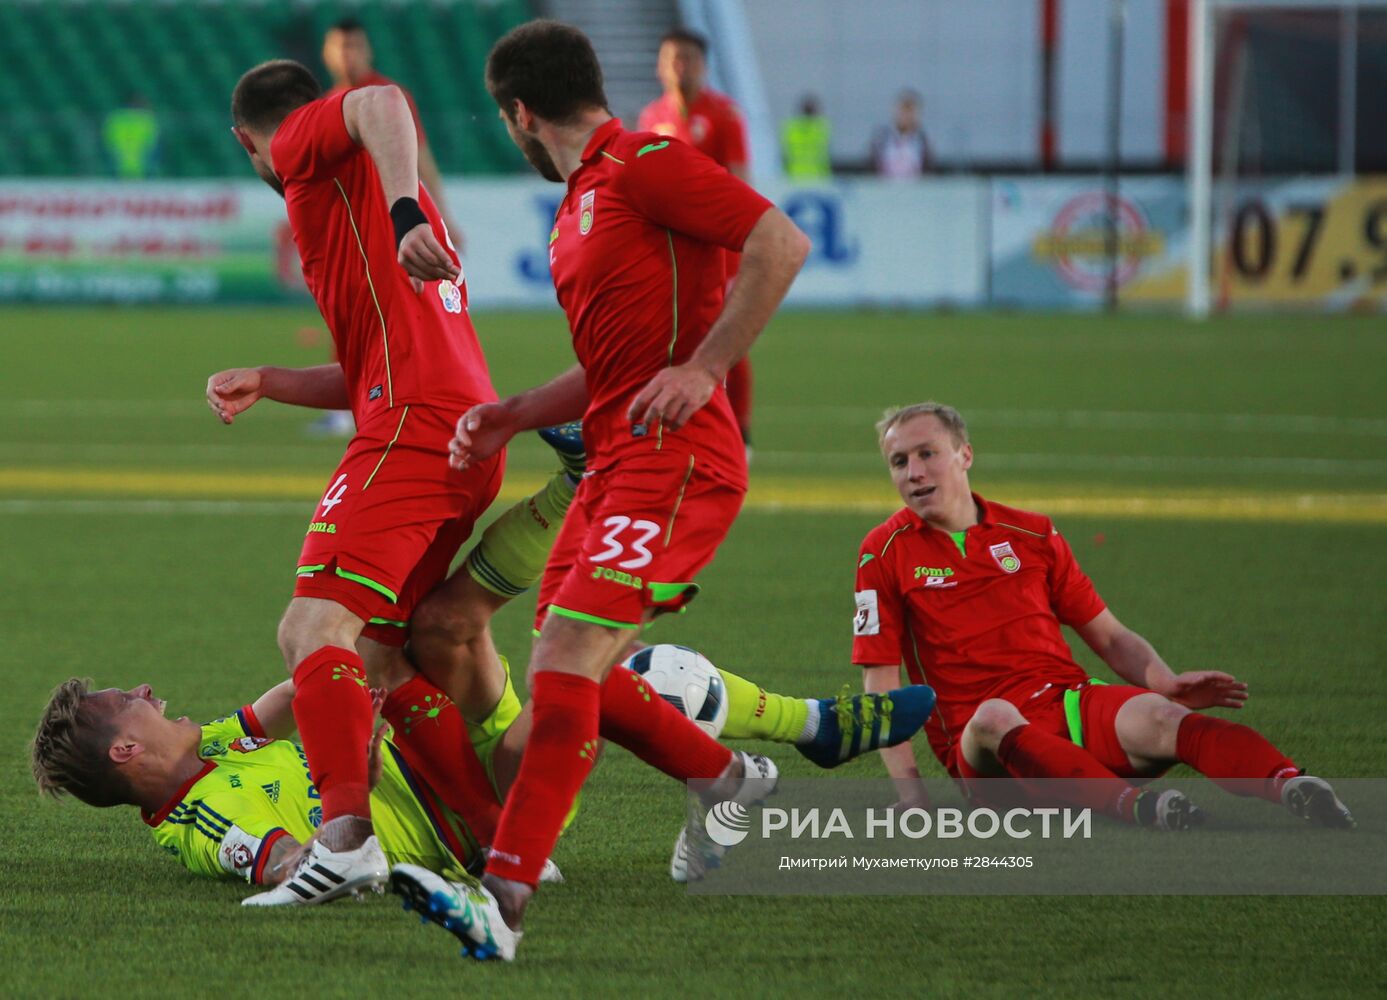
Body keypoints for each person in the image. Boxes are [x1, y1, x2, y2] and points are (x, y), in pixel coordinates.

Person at [436, 19, 814, 954]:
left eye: (505, 118)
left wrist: (706, 368)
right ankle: (726, 783)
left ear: (519, 113)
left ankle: (504, 897)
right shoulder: (579, 203)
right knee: (576, 674)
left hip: (677, 459)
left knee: (565, 659)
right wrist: (514, 410)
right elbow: (612, 369)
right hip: (612, 462)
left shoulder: (645, 162)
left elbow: (781, 242)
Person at [215, 59, 505, 906]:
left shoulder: (305, 143)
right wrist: (270, 377)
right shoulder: (348, 204)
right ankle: (500, 842)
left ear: (248, 142)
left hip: (411, 429)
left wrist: (407, 203)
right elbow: (364, 367)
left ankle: (343, 845)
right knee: (377, 651)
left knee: (311, 627)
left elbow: (379, 98)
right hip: (457, 432)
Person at [854, 402, 1354, 831]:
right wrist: (911, 795)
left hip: (1067, 705)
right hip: (984, 751)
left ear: (964, 455)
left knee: (1164, 717)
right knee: (994, 716)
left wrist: (1164, 679)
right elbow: (882, 682)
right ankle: (1134, 806)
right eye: (899, 462)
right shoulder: (883, 552)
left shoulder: (1032, 534)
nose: (913, 472)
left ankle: (1292, 785)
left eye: (926, 453)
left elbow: (1110, 637)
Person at [312, 17, 465, 437]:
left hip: (391, 225)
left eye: (355, 47)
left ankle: (414, 400)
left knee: (402, 312)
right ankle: (354, 405)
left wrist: (444, 218)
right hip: (350, 228)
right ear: (327, 52)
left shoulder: (387, 97)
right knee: (347, 313)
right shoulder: (327, 102)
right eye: (341, 47)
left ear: (368, 50)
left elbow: (420, 158)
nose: (349, 55)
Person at [637, 27, 757, 453]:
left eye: (687, 57)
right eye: (672, 58)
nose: (679, 66)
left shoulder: (725, 116)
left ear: (703, 65)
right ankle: (679, 420)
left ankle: (739, 431)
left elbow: (741, 183)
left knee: (727, 338)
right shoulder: (652, 117)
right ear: (659, 65)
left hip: (718, 250)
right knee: (672, 336)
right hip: (671, 251)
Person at [871, 89, 931, 179]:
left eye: (910, 111)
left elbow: (927, 172)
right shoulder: (882, 139)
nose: (906, 116)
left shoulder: (922, 142)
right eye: (903, 110)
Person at [780, 94, 831, 182]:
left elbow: (785, 154)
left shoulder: (791, 128)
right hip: (817, 175)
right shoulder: (821, 128)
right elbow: (825, 154)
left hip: (794, 174)